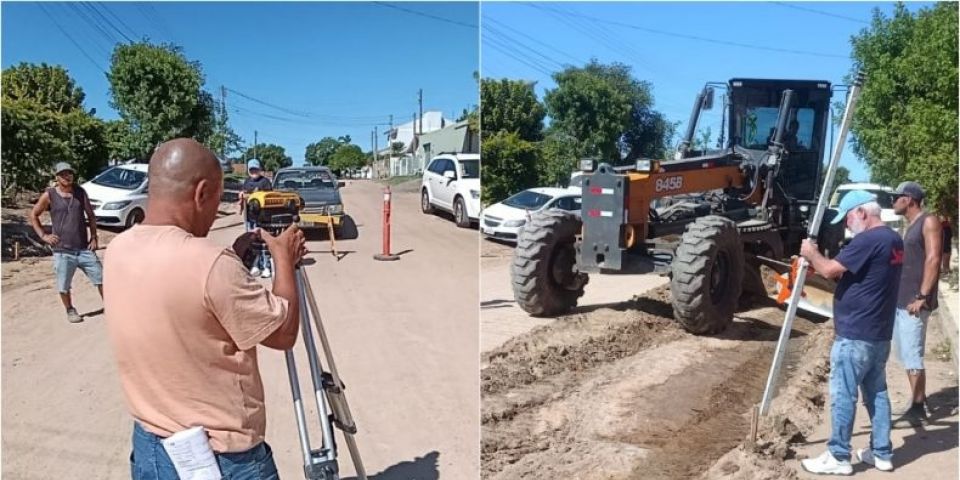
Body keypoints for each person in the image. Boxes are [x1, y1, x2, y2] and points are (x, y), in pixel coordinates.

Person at [102, 139, 307, 480]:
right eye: (216, 198)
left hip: (151, 448)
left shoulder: (119, 249)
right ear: (201, 193)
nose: (215, 211)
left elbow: (184, 297)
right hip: (221, 458)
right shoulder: (210, 265)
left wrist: (233, 262)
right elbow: (283, 334)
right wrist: (284, 260)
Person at [799, 190, 903, 475]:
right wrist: (818, 267)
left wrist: (811, 254)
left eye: (847, 217)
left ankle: (838, 455)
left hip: (856, 333)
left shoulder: (868, 239)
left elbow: (832, 269)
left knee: (843, 394)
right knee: (877, 393)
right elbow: (860, 276)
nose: (846, 224)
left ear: (861, 213)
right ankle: (881, 453)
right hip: (879, 331)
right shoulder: (894, 239)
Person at [890, 181, 942, 425]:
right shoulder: (910, 225)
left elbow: (933, 259)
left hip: (914, 301)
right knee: (906, 354)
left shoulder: (928, 221)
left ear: (909, 199)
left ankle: (919, 407)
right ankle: (917, 399)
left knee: (913, 355)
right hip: (903, 300)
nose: (893, 201)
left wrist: (922, 296)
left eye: (896, 197)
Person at [28, 162, 103, 323]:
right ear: (57, 177)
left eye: (69, 173)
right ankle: (70, 310)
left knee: (102, 279)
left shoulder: (80, 193)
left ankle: (111, 306)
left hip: (84, 248)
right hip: (62, 250)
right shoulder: (49, 195)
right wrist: (44, 235)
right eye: (63, 174)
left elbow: (91, 216)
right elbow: (34, 215)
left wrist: (94, 237)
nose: (67, 176)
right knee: (63, 286)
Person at [239, 158, 273, 278]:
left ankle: (266, 266)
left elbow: (270, 197)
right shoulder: (247, 182)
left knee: (263, 243)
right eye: (251, 169)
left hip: (263, 218)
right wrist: (242, 196)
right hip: (250, 218)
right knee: (252, 242)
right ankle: (255, 265)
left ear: (260, 169)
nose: (254, 171)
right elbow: (242, 195)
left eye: (256, 169)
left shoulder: (265, 182)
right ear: (248, 170)